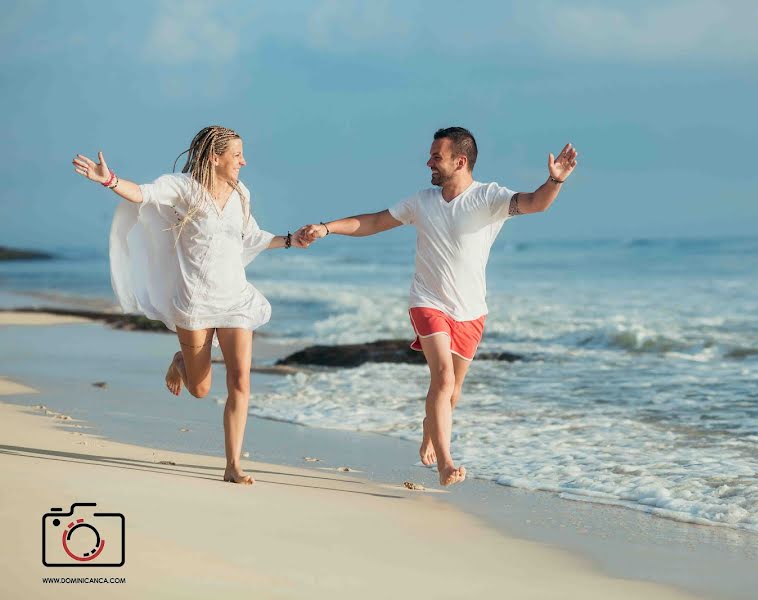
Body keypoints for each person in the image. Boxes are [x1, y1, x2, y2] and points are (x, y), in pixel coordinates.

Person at [295, 127, 577, 486]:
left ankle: (431, 430)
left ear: (460, 161)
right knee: (442, 377)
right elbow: (374, 222)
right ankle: (446, 462)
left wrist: (555, 182)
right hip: (428, 302)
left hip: (471, 310)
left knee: (451, 392)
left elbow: (536, 203)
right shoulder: (422, 201)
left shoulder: (489, 197)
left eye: (436, 156)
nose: (428, 162)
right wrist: (326, 227)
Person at [72, 125, 304, 485]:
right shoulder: (183, 189)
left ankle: (233, 465)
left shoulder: (241, 193)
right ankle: (181, 361)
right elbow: (143, 195)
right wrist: (110, 180)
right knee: (199, 389)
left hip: (235, 300)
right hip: (195, 303)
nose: (244, 161)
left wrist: (290, 240)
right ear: (216, 158)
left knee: (240, 381)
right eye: (237, 155)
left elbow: (252, 237)